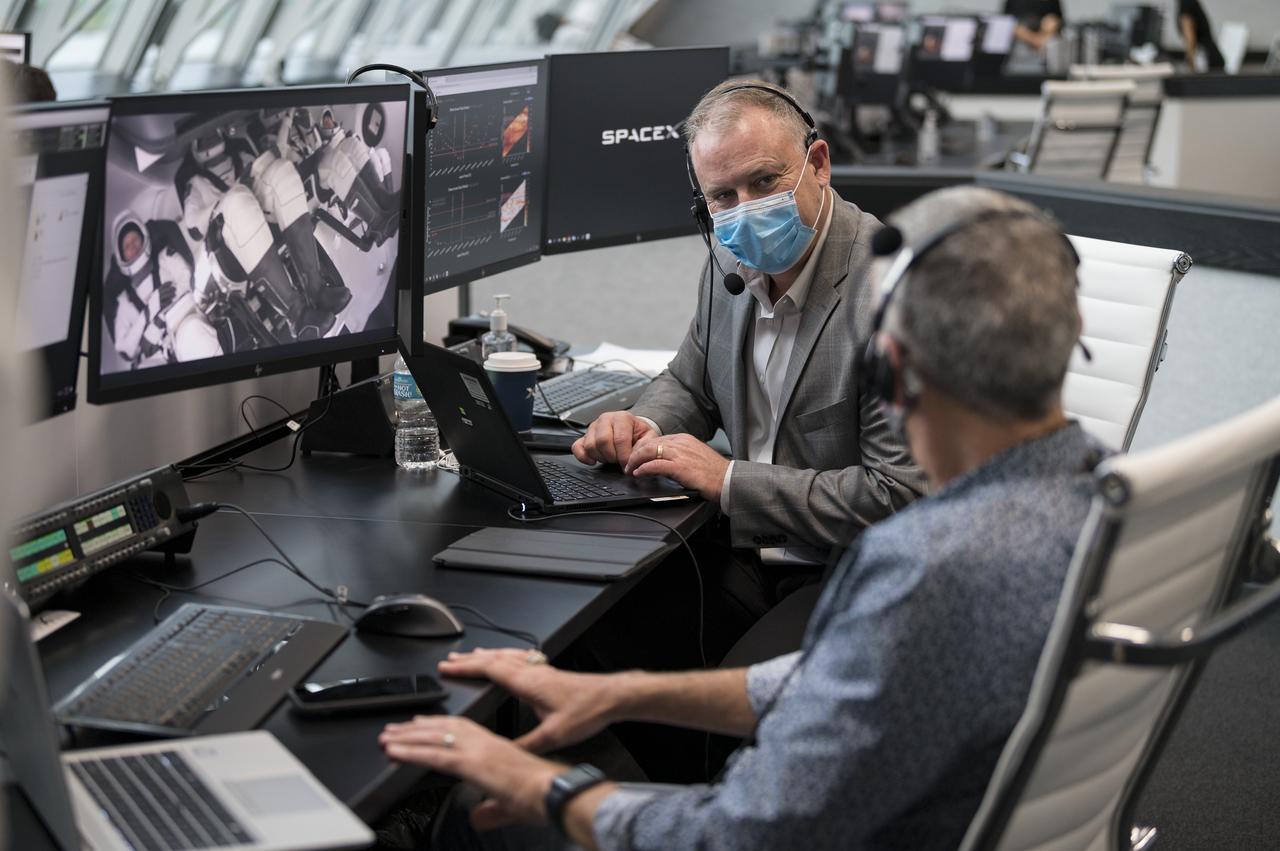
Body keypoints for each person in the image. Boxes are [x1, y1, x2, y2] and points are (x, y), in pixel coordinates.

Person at [378, 185, 1108, 850]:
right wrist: (619, 694)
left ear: (891, 371)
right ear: (1070, 331)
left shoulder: (923, 566)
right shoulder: (1091, 491)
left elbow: (735, 834)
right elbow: (847, 682)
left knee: (473, 815)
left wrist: (547, 786)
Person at [571, 80, 924, 623]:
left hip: (850, 575)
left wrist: (728, 479)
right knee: (592, 619)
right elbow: (690, 383)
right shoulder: (726, 258)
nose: (746, 211)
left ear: (819, 163)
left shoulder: (896, 297)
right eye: (723, 197)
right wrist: (641, 426)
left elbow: (900, 497)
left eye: (764, 181)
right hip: (738, 549)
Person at [1178, 0, 1225, 71]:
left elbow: (1190, 36)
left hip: (1206, 60)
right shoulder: (1189, 3)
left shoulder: (1186, 3)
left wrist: (1191, 60)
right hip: (1208, 57)